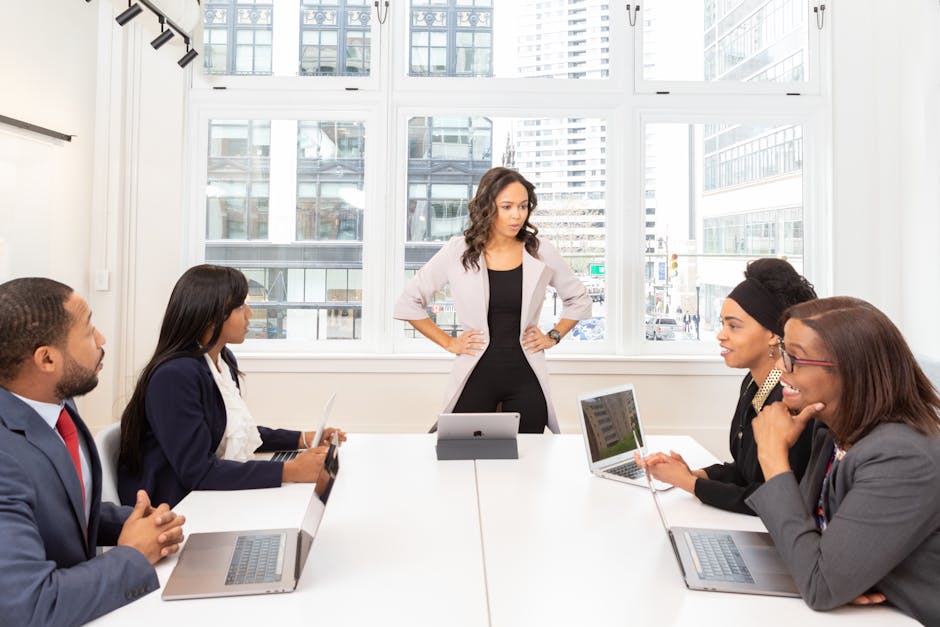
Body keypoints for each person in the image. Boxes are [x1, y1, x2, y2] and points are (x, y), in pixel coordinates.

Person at [0, 277, 185, 625]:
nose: (101, 340)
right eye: (88, 331)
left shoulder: (57, 403)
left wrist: (144, 525)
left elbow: (61, 506)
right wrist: (133, 554)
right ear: (47, 359)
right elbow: (29, 607)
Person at [747, 297, 940, 623]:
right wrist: (839, 574)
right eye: (783, 352)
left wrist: (773, 458)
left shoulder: (903, 458)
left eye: (795, 358)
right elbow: (811, 543)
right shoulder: (831, 434)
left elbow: (820, 585)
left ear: (851, 372)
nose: (781, 368)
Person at [118, 265, 345, 508]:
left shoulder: (222, 360)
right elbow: (197, 472)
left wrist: (302, 439)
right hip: (177, 506)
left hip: (208, 492)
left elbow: (230, 431)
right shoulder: (174, 376)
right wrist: (289, 471)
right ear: (209, 317)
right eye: (239, 307)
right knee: (305, 495)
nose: (249, 314)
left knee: (321, 489)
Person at [394, 167, 593, 433]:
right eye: (507, 206)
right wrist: (449, 343)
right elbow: (409, 301)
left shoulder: (541, 251)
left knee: (528, 461)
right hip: (476, 374)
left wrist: (553, 335)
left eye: (523, 206)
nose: (517, 215)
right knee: (462, 459)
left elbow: (579, 299)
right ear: (488, 207)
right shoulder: (458, 250)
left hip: (526, 377)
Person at [639, 259, 817, 514]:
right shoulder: (753, 385)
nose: (721, 335)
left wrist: (690, 484)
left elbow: (769, 496)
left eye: (734, 326)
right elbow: (744, 472)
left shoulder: (792, 398)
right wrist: (690, 474)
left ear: (773, 334)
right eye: (722, 324)